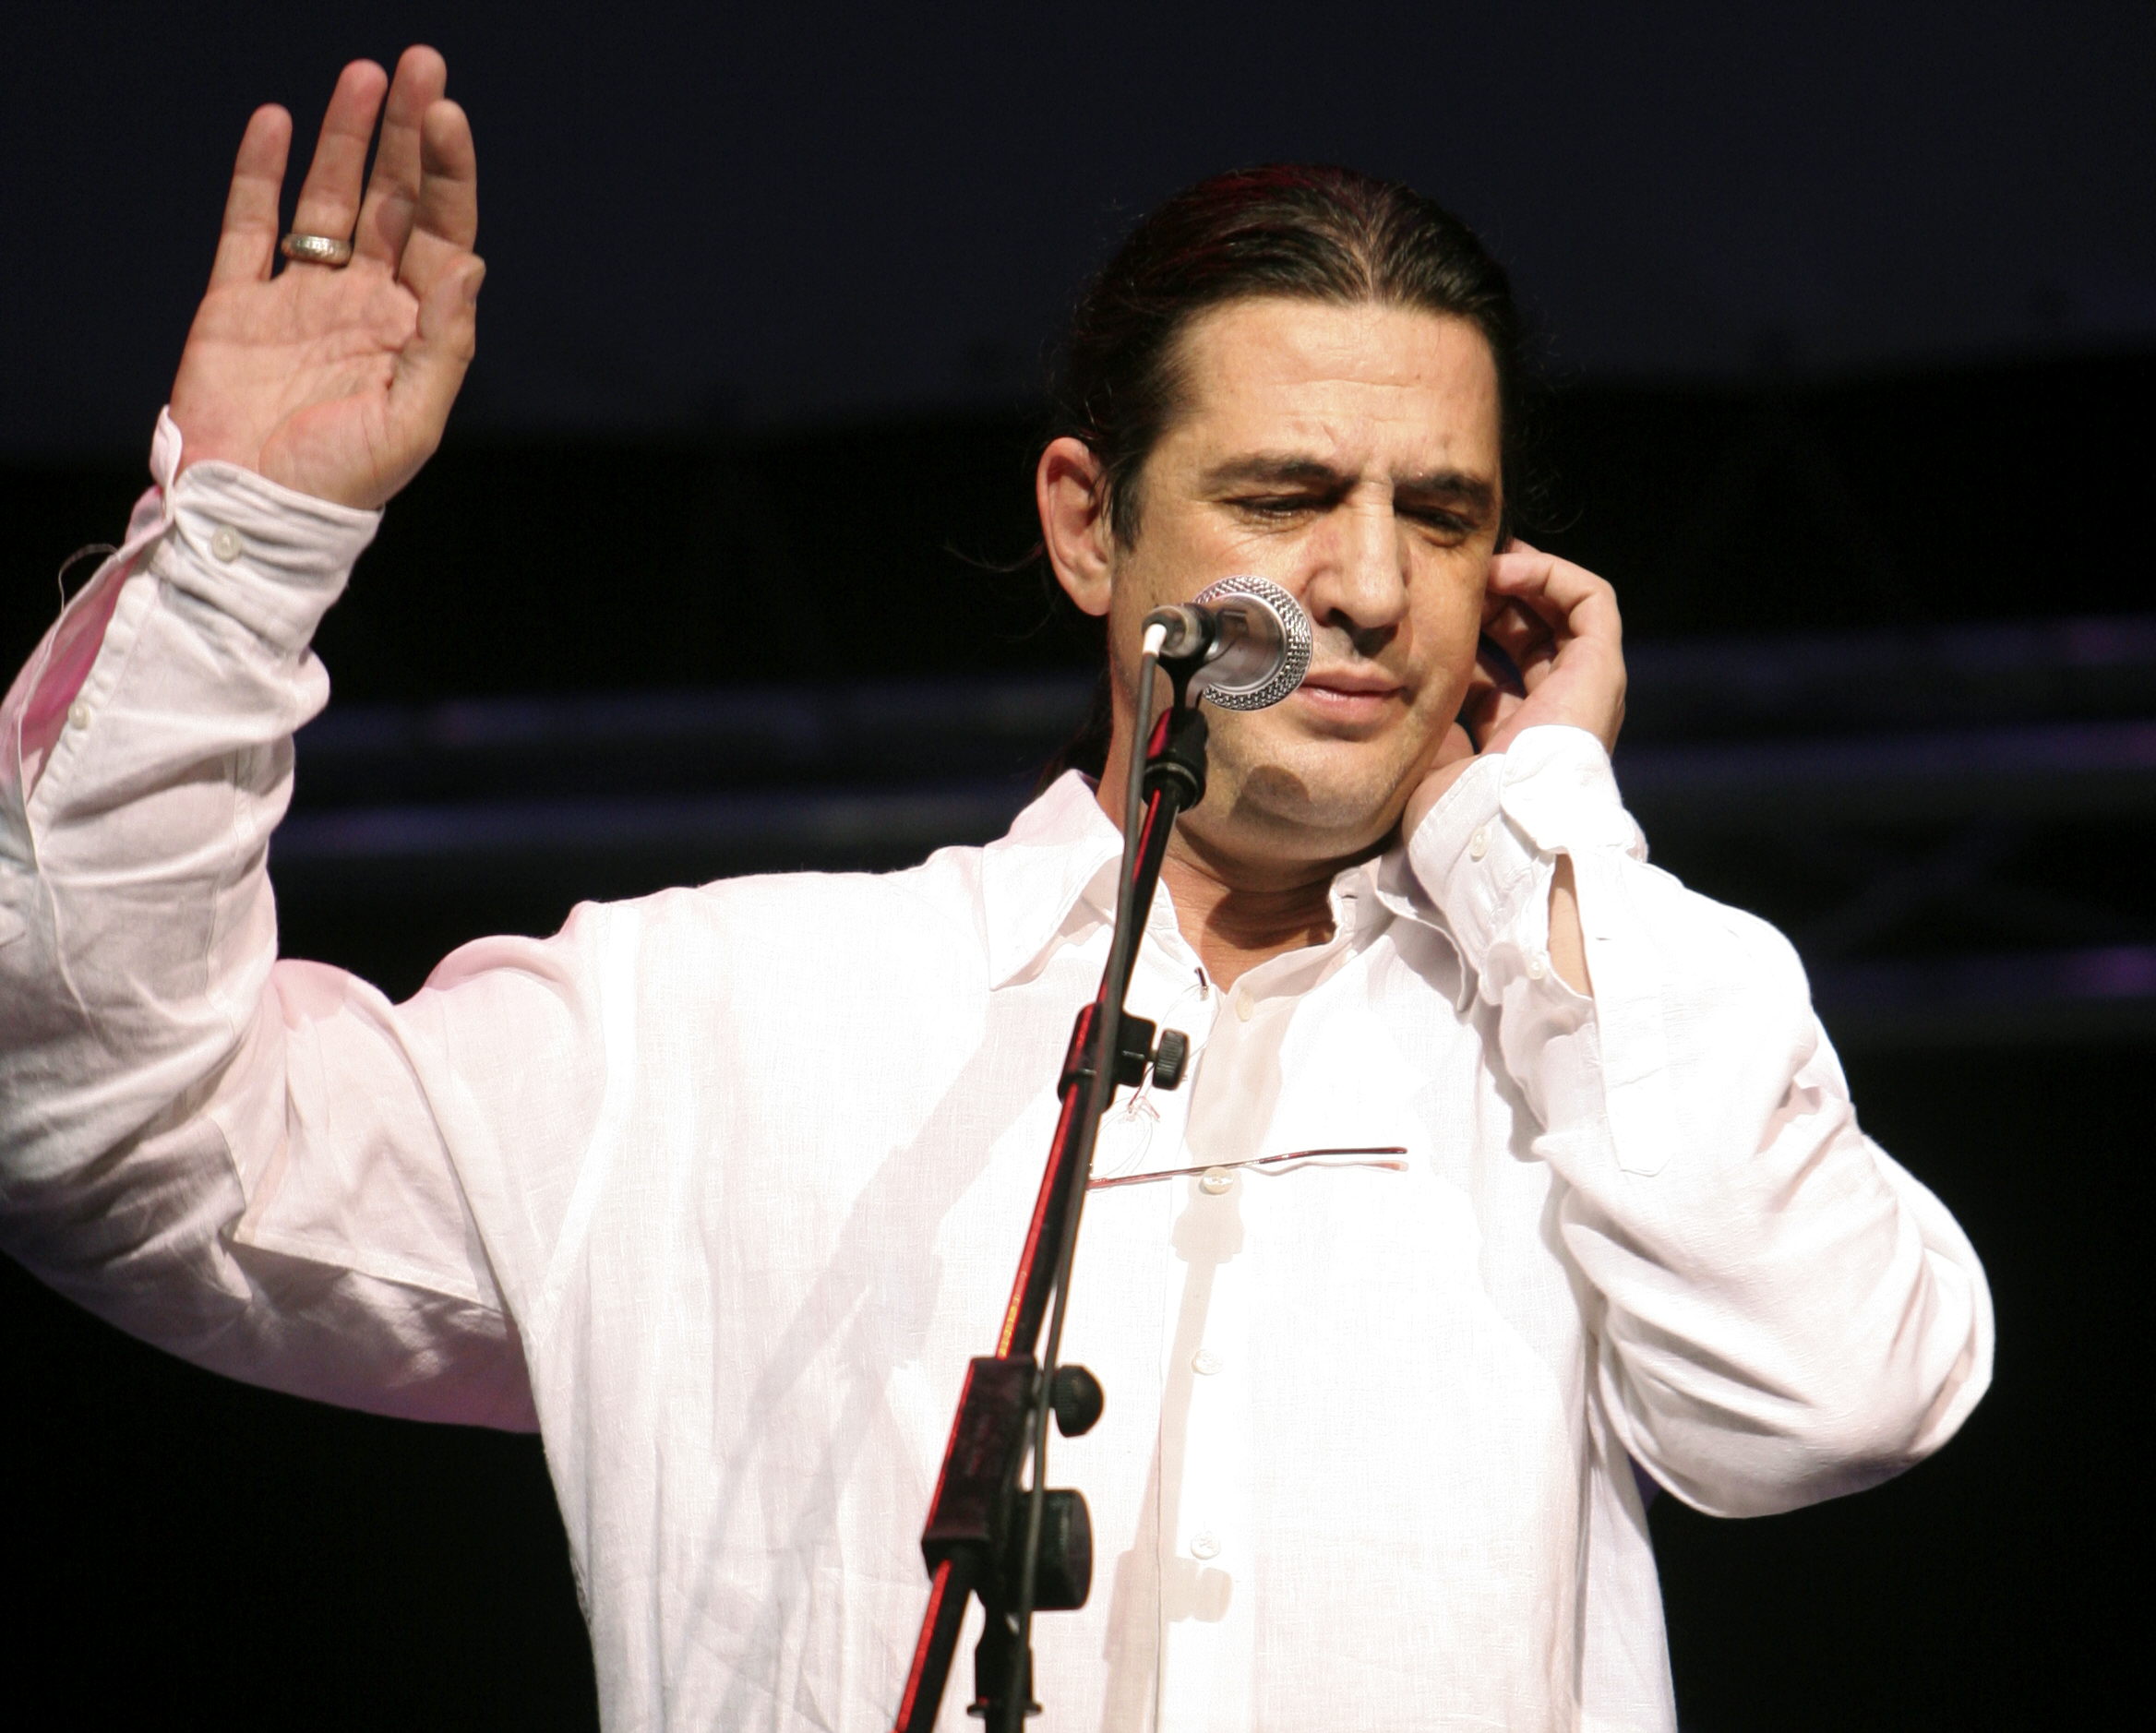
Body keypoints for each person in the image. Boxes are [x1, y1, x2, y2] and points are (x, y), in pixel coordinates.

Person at [0, 45, 1991, 1733]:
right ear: (1085, 527)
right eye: (1286, 499)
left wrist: (1529, 818)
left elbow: (1827, 1396)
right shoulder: (707, 1020)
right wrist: (244, 540)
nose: (1373, 589)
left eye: (1442, 517)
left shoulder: (1587, 1037)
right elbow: (117, 1138)